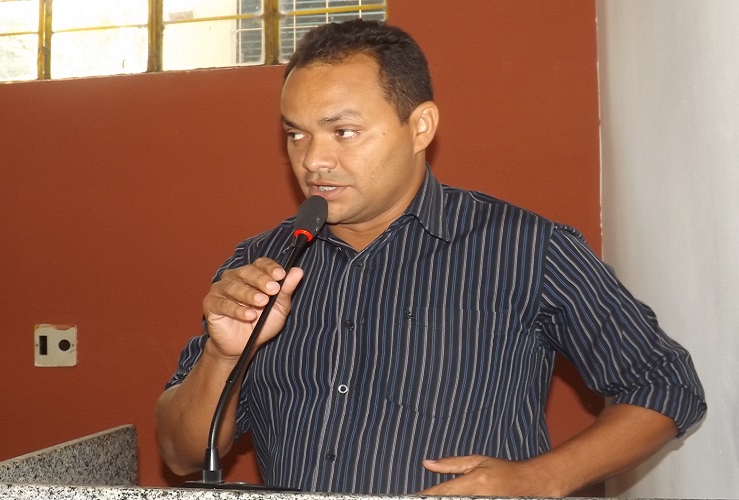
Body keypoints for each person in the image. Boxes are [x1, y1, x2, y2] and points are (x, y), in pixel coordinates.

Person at [155, 19, 706, 496]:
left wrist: (542, 478)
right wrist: (222, 356)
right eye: (296, 135)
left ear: (419, 127)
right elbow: (181, 455)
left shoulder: (527, 248)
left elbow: (665, 384)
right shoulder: (261, 262)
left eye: (343, 131)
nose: (314, 159)